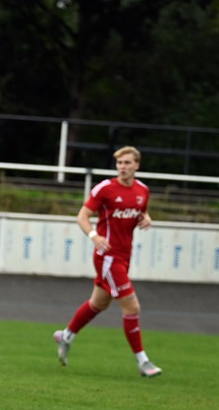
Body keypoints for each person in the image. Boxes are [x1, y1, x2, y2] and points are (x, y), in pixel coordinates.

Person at [53, 146, 162, 377]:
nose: (122, 167)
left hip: (124, 256)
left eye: (127, 163)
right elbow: (82, 216)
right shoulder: (105, 188)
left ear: (137, 165)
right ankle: (143, 362)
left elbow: (141, 212)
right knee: (132, 307)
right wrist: (94, 236)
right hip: (108, 257)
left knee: (99, 303)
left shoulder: (142, 190)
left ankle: (66, 336)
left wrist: (146, 218)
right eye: (119, 163)